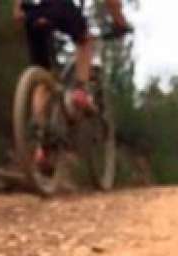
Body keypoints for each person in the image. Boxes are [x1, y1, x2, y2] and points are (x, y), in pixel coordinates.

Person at [14, 0, 130, 172]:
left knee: (42, 78)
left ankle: (42, 145)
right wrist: (120, 23)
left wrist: (17, 9)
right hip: (58, 6)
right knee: (85, 41)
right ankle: (81, 90)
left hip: (31, 12)